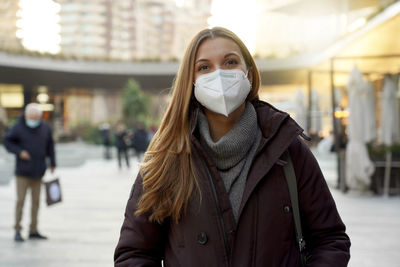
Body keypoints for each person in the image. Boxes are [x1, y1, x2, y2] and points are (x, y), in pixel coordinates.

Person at [114, 27, 350, 266]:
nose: (219, 74)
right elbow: (134, 254)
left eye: (230, 62)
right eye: (204, 67)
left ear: (248, 74)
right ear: (192, 82)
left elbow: (329, 240)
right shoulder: (168, 157)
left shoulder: (288, 150)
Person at [3, 103, 56, 242]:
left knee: (36, 202)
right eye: (31, 117)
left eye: (36, 117)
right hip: (22, 172)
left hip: (39, 171)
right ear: (26, 116)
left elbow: (50, 145)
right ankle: (17, 230)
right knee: (20, 201)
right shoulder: (18, 127)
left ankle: (33, 230)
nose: (34, 120)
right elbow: (7, 141)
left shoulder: (45, 127)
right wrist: (20, 152)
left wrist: (53, 163)